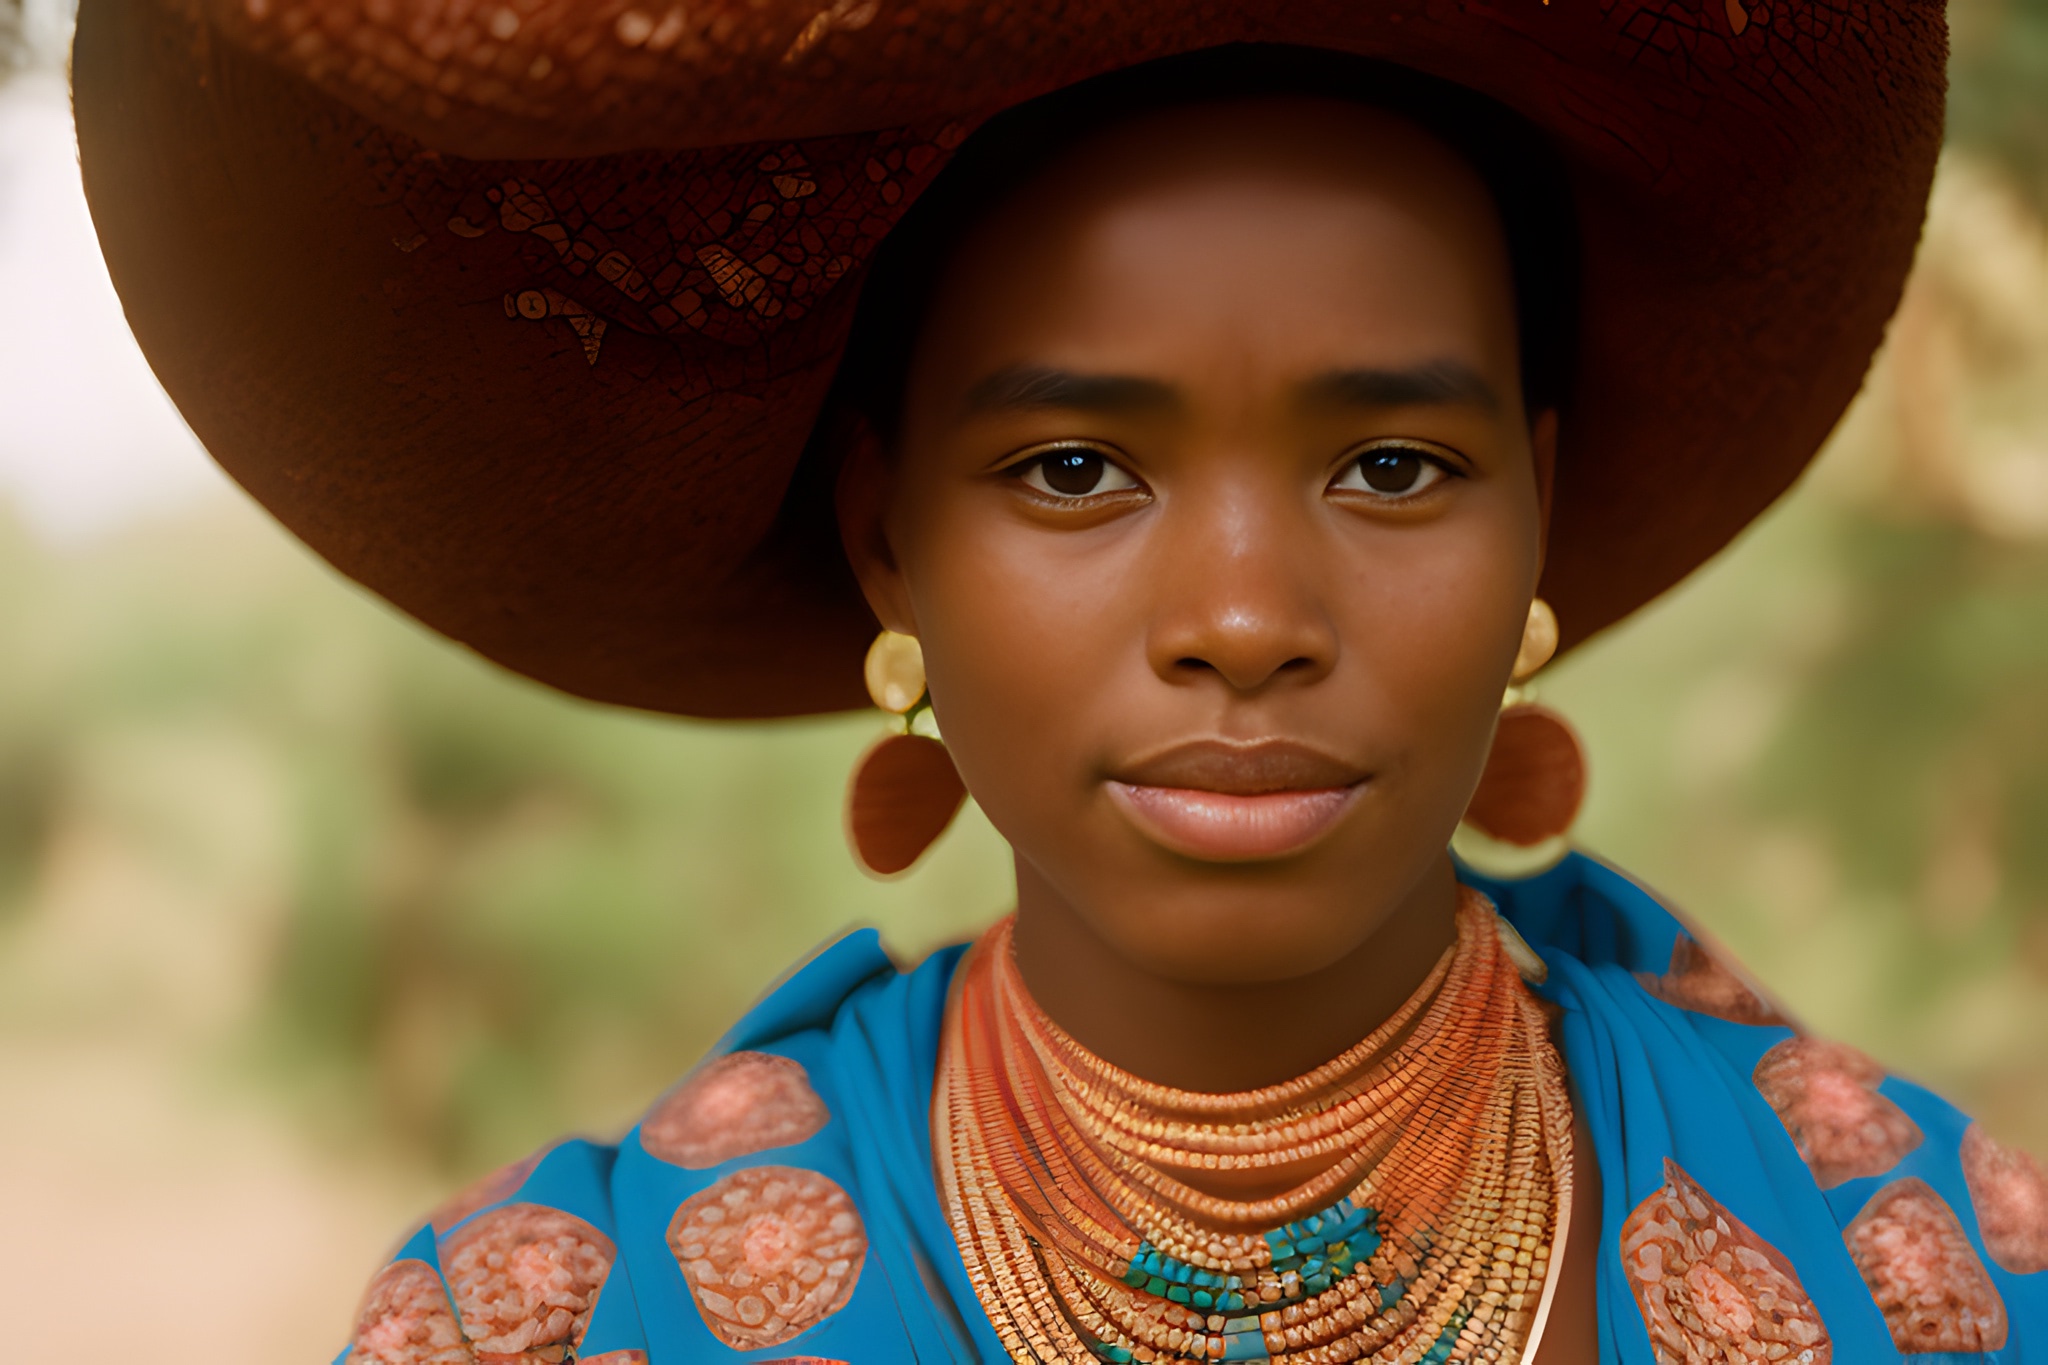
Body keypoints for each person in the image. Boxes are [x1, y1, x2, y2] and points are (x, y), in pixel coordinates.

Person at [71, 2, 2048, 1362]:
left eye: (1392, 464)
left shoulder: (1931, 1261)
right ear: (886, 541)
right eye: (1076, 468)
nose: (1247, 610)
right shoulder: (558, 1314)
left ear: (1539, 513)